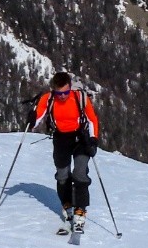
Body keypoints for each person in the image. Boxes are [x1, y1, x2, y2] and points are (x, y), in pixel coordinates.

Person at [31, 72, 101, 234]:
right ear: (54, 90)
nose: (62, 96)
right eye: (59, 93)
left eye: (66, 92)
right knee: (62, 176)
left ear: (70, 88)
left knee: (80, 173)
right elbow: (38, 117)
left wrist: (93, 140)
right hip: (61, 138)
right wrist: (32, 118)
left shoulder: (79, 97)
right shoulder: (48, 99)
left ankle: (80, 211)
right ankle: (67, 206)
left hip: (80, 138)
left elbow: (92, 119)